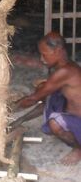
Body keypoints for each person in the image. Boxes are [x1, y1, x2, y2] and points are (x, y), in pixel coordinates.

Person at [14, 31, 81, 165]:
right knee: (49, 93)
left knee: (54, 122)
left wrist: (12, 107)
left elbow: (33, 99)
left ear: (58, 51)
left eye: (44, 54)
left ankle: (78, 149)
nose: (41, 58)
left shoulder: (65, 71)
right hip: (72, 112)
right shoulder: (62, 67)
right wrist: (21, 119)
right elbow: (44, 99)